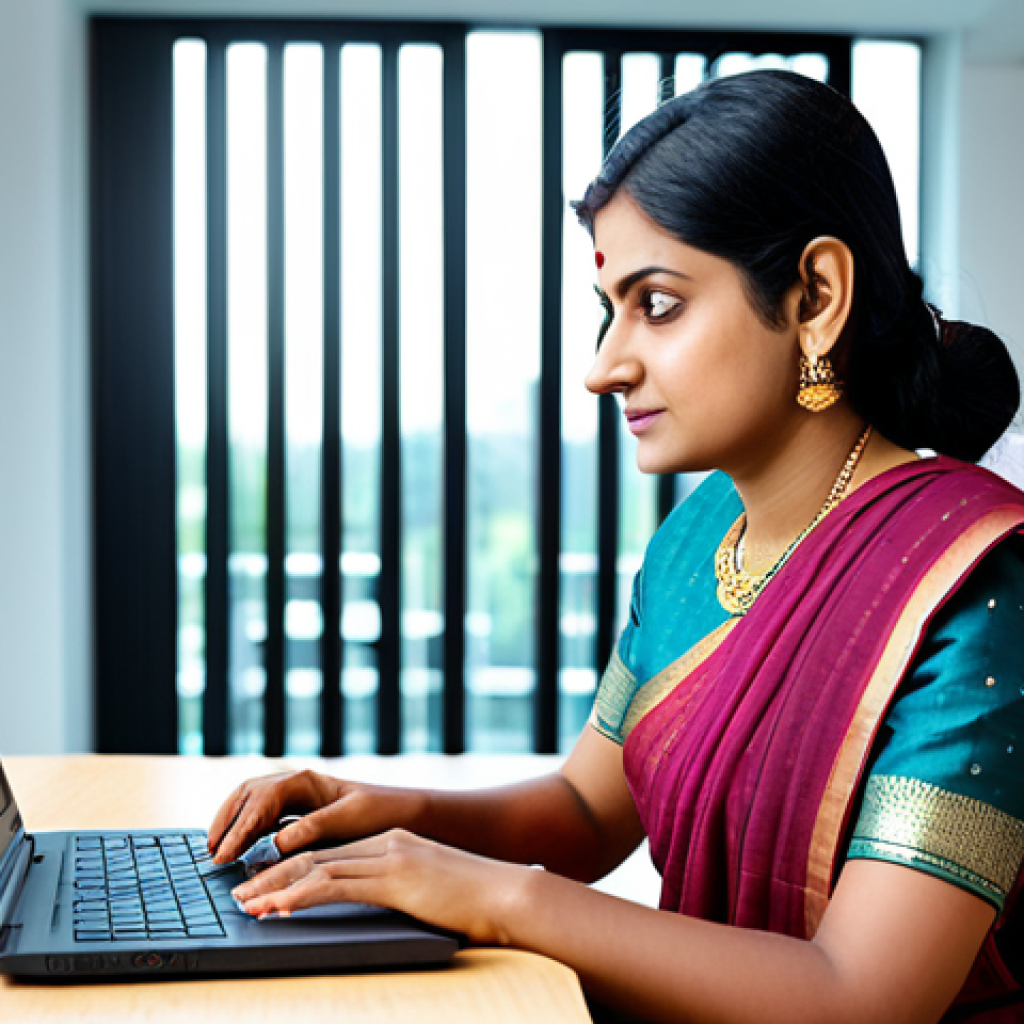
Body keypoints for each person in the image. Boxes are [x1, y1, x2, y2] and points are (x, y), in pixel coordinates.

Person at [207, 70, 1024, 1022]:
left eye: (659, 304)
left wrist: (503, 900)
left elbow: (863, 998)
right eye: (610, 307)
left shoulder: (972, 584)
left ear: (815, 296)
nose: (604, 367)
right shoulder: (697, 538)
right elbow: (589, 812)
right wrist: (385, 817)